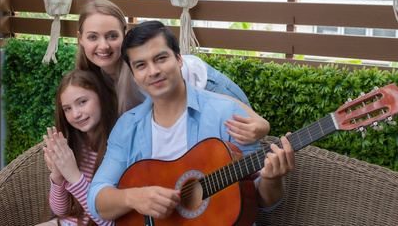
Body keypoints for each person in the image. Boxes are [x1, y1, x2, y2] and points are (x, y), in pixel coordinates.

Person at [87, 21, 295, 223]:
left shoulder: (228, 114)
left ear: (179, 59)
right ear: (133, 75)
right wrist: (133, 198)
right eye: (141, 65)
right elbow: (96, 198)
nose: (153, 71)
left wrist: (271, 179)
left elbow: (262, 202)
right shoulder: (127, 126)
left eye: (160, 58)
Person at [75, 0, 268, 145]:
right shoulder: (90, 79)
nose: (103, 45)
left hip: (208, 87)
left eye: (112, 36)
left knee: (242, 147)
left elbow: (209, 100)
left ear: (124, 35)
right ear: (80, 38)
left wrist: (261, 124)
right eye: (93, 37)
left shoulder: (146, 73)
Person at [36, 69, 116, 226]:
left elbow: (109, 221)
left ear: (101, 97)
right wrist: (58, 177)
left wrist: (74, 175)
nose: (76, 114)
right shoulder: (74, 145)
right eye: (67, 108)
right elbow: (61, 211)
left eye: (82, 102)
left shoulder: (118, 149)